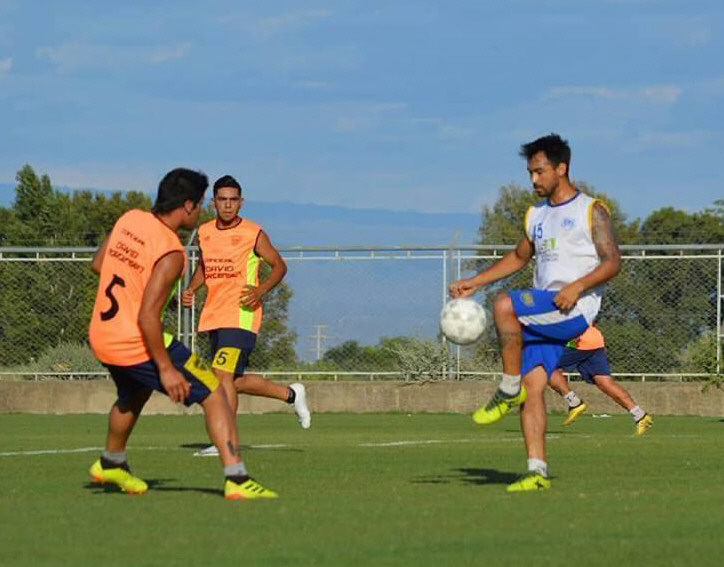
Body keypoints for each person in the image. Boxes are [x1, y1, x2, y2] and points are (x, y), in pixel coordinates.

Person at [87, 168, 277, 500]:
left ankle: (110, 462)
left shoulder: (129, 219)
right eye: (201, 203)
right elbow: (147, 316)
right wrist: (165, 368)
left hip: (102, 334)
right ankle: (237, 478)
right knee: (214, 392)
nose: (202, 210)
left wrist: (151, 291)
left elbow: (99, 264)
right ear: (187, 205)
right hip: (135, 340)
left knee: (133, 394)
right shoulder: (171, 251)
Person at [450, 133, 620, 492]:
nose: (533, 179)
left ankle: (507, 388)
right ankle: (536, 472)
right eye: (530, 172)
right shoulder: (536, 216)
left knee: (504, 305)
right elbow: (519, 257)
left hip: (575, 309)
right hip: (546, 311)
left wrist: (577, 287)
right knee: (535, 386)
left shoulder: (591, 210)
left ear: (561, 168)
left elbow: (612, 263)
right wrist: (475, 282)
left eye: (539, 171)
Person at [182, 175, 310, 457]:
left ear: (241, 202)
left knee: (221, 375)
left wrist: (261, 290)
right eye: (222, 199)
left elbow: (279, 265)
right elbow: (205, 266)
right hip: (214, 315)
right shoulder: (205, 232)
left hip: (241, 315)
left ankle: (226, 441)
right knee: (232, 381)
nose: (228, 205)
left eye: (233, 200)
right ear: (214, 202)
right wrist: (191, 288)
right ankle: (291, 394)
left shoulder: (253, 233)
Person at [548, 325, 653, 435]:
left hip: (578, 342)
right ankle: (640, 415)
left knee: (541, 365)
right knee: (604, 381)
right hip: (594, 340)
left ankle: (574, 402)